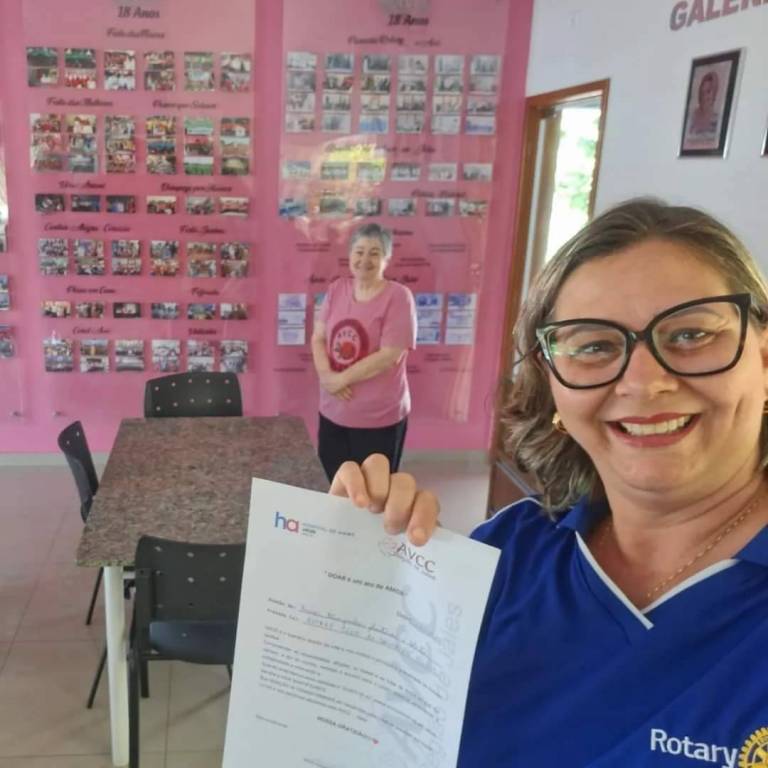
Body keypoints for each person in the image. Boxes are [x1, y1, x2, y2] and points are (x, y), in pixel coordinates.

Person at [329, 199, 768, 766]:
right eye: (595, 346)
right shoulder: (508, 550)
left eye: (690, 334)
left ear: (763, 358)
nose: (644, 382)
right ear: (552, 382)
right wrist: (353, 585)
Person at [312, 223, 417, 482]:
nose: (365, 259)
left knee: (373, 492)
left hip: (378, 417)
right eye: (359, 251)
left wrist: (339, 380)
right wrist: (326, 377)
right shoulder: (337, 289)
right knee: (333, 485)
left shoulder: (399, 297)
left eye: (374, 253)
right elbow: (318, 338)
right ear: (350, 255)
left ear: (386, 259)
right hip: (333, 411)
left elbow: (389, 355)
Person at [687, 70, 720, 138]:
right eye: (702, 92)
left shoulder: (718, 120)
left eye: (708, 91)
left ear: (715, 93)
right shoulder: (690, 117)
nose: (704, 96)